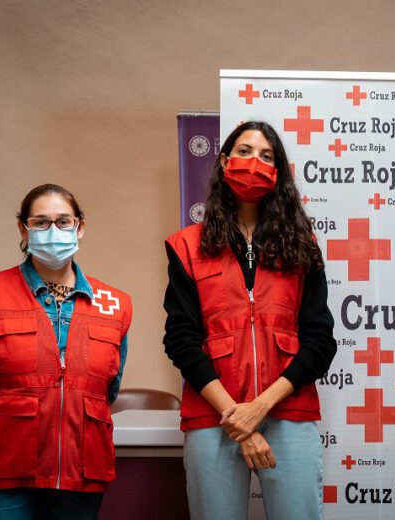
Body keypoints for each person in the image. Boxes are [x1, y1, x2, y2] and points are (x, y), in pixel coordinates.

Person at [163, 121, 336, 520]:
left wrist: (259, 407)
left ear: (278, 172)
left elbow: (320, 341)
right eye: (243, 151)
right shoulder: (187, 246)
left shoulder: (302, 245)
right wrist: (236, 415)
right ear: (224, 161)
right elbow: (181, 340)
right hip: (213, 416)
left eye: (266, 156)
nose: (253, 162)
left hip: (288, 411)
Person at [0, 183, 132, 519]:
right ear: (23, 229)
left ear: (80, 227)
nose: (52, 230)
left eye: (63, 221)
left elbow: (106, 388)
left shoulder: (114, 304)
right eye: (40, 222)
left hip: (79, 472)